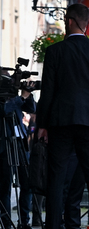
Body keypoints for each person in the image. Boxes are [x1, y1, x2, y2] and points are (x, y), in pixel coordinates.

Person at [36, 3, 89, 229]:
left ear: (69, 21)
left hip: (60, 123)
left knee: (56, 179)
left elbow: (47, 91)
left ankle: (52, 226)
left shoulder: (54, 51)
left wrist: (42, 124)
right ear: (87, 25)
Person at [1, 82, 36, 229]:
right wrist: (20, 97)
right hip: (4, 146)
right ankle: (6, 222)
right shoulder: (7, 100)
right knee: (5, 188)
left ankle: (24, 221)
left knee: (27, 184)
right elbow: (5, 110)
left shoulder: (16, 98)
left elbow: (31, 108)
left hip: (20, 144)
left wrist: (27, 96)